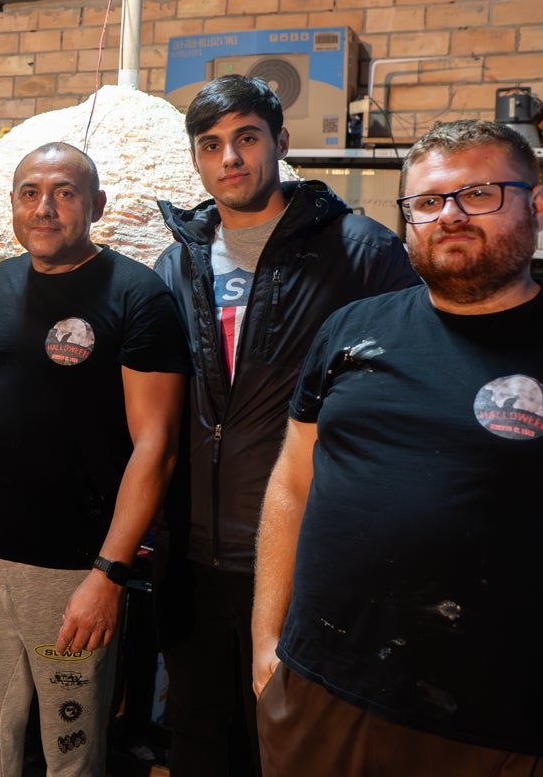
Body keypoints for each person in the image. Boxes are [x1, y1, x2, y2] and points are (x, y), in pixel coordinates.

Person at [252, 119, 543, 776]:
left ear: (538, 205)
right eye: (428, 201)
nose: (450, 216)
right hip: (319, 695)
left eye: (479, 193)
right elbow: (292, 482)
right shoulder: (352, 329)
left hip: (500, 724)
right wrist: (266, 645)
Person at [152, 74, 419, 776]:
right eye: (211, 145)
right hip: (193, 556)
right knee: (201, 744)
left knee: (296, 747)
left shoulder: (358, 250)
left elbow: (405, 390)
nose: (230, 158)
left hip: (302, 556)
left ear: (281, 144)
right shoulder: (175, 262)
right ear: (197, 160)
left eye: (246, 138)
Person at [0, 142, 190, 776]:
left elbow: (156, 447)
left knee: (72, 752)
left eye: (64, 193)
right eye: (30, 192)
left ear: (97, 205)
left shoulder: (138, 297)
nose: (45, 208)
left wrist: (106, 575)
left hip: (72, 574)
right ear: (13, 204)